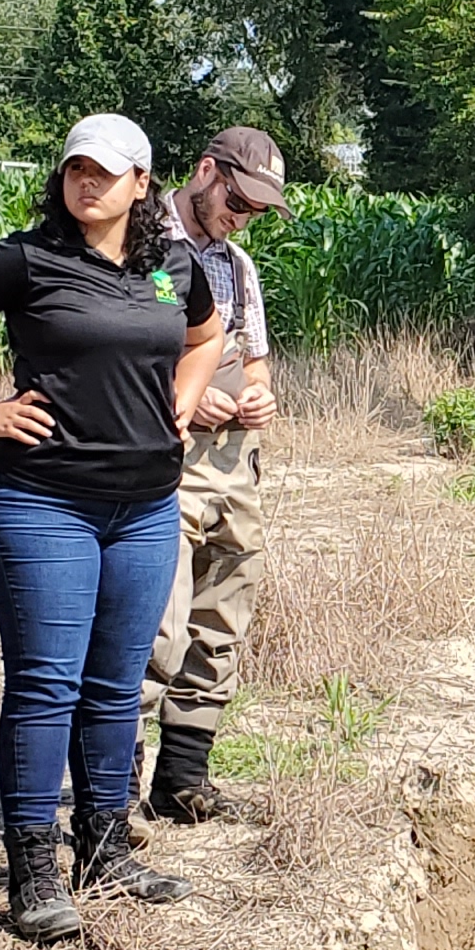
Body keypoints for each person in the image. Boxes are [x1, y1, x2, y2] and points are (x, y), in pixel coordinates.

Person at [0, 114, 224, 941]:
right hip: (43, 502)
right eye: (78, 169)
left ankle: (105, 849)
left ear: (141, 184)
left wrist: (185, 400)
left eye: (107, 173)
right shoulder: (29, 257)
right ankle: (33, 872)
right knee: (48, 684)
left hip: (147, 505)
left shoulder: (171, 265)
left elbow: (206, 333)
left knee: (117, 685)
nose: (89, 183)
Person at [141, 126, 288, 825]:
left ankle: (182, 777)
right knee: (154, 625)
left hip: (234, 464)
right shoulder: (144, 244)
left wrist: (258, 394)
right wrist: (187, 399)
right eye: (239, 198)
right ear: (206, 172)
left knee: (222, 615)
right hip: (166, 459)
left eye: (258, 209)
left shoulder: (240, 266)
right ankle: (111, 795)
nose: (243, 215)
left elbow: (255, 361)